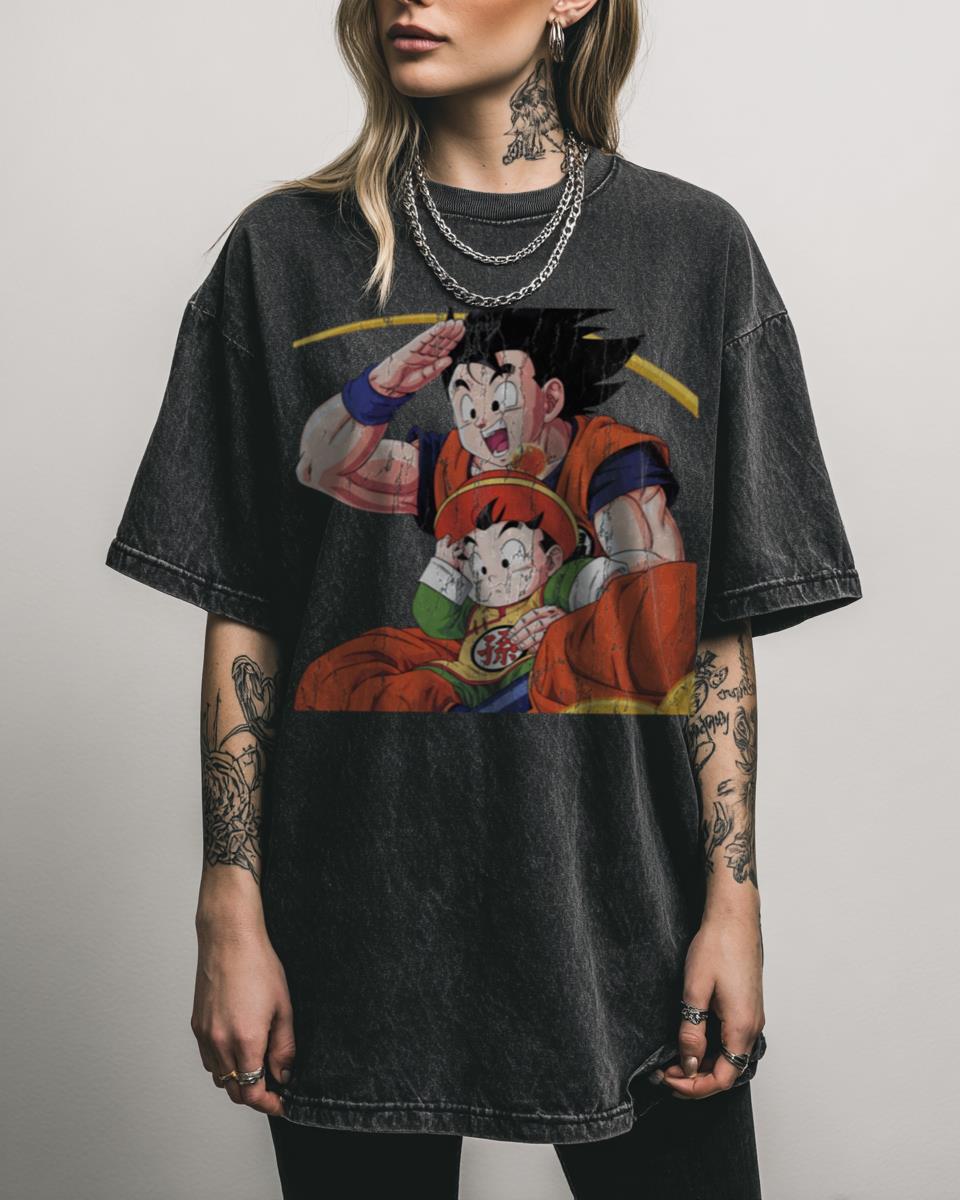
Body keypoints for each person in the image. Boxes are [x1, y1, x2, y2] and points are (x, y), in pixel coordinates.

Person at [104, 0, 864, 1196]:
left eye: (497, 390)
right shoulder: (285, 251)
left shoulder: (693, 252)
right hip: (354, 924)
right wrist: (229, 904)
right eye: (462, 395)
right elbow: (249, 597)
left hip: (626, 915)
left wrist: (734, 901)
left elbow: (711, 635)